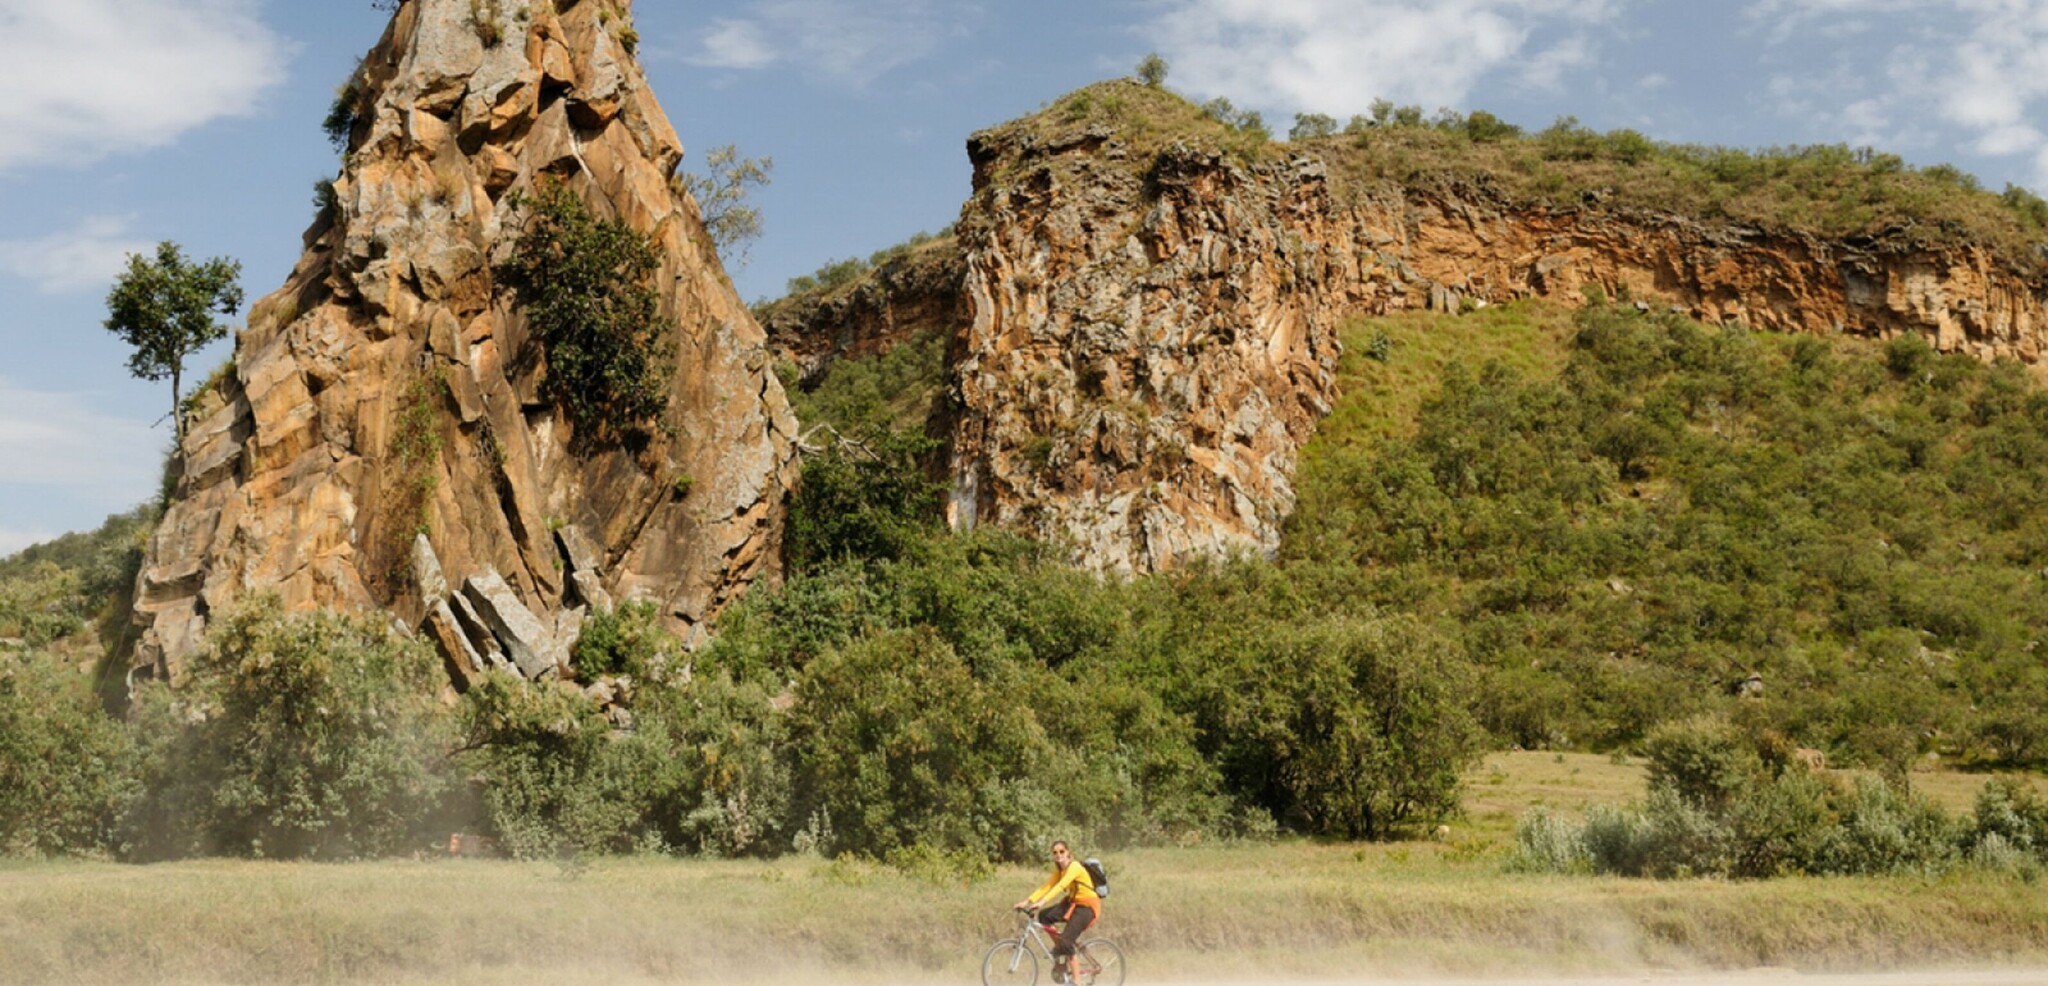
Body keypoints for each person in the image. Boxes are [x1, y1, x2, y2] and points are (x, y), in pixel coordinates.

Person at [1013, 839, 1099, 983]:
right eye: (1055, 852)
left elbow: (1060, 886)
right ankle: (1060, 949)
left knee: (1067, 941)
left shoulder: (1075, 867)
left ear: (1068, 853)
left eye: (1061, 851)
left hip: (1087, 906)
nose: (1058, 855)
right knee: (1044, 916)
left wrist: (1042, 902)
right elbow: (1047, 886)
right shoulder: (1060, 870)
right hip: (1072, 903)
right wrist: (1028, 901)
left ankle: (1076, 981)